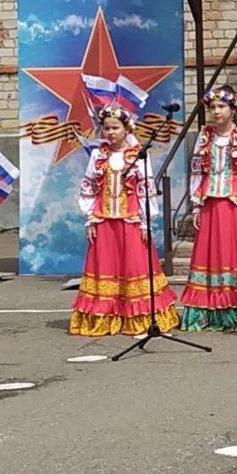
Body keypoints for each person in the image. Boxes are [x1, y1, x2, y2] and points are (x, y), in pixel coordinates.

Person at [69, 104, 180, 336]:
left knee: (133, 266)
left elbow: (146, 189)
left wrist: (145, 222)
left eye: (115, 128)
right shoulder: (100, 155)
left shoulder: (138, 155)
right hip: (104, 219)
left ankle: (138, 317)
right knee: (107, 266)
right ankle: (107, 316)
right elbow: (89, 186)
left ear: (126, 128)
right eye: (106, 128)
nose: (110, 132)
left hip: (130, 219)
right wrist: (90, 219)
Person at [181, 86, 237, 331]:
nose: (217, 112)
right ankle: (211, 312)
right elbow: (197, 170)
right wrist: (196, 205)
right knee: (212, 255)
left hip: (236, 204)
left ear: (233, 109)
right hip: (211, 203)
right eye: (213, 107)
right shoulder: (204, 136)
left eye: (222, 107)